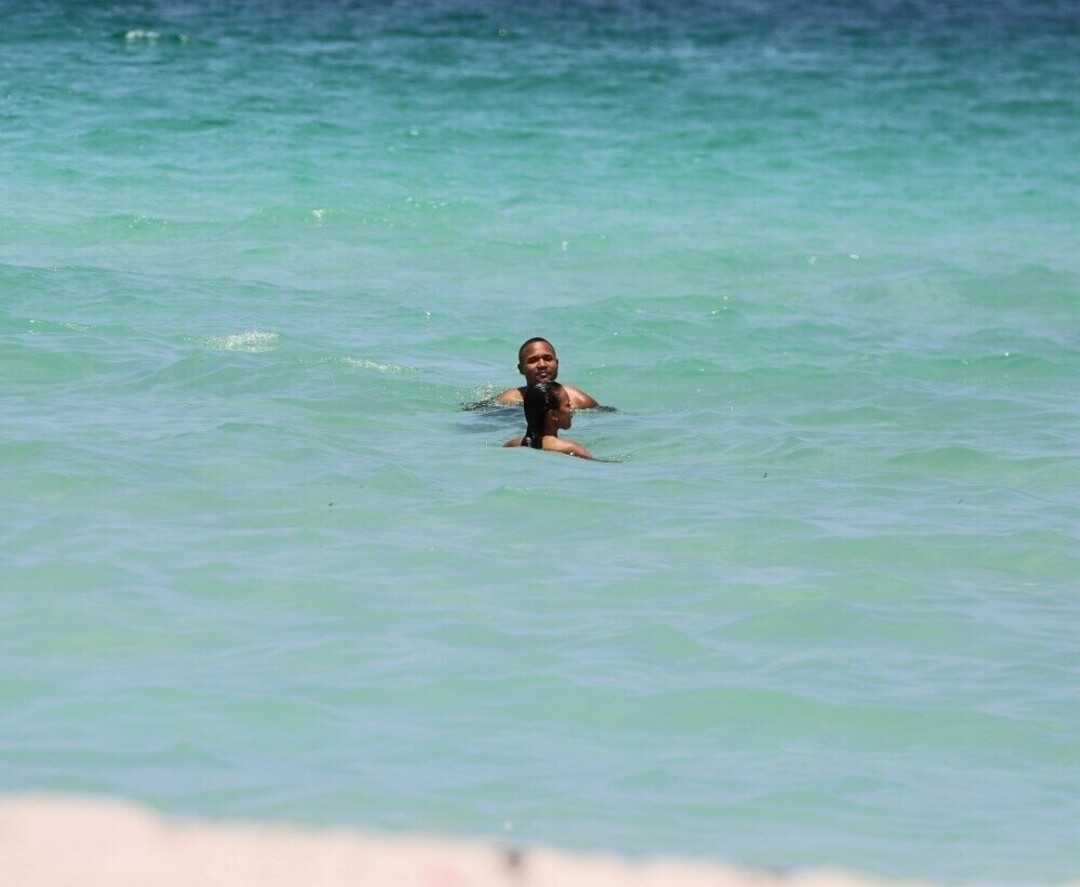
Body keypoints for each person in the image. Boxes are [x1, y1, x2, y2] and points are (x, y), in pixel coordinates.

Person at [494, 337, 599, 410]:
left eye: (548, 358)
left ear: (557, 364)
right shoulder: (507, 401)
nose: (542, 365)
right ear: (521, 369)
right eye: (533, 360)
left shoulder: (580, 401)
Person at [504, 381, 594, 459]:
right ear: (553, 415)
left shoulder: (511, 445)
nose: (572, 408)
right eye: (567, 405)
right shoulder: (571, 449)